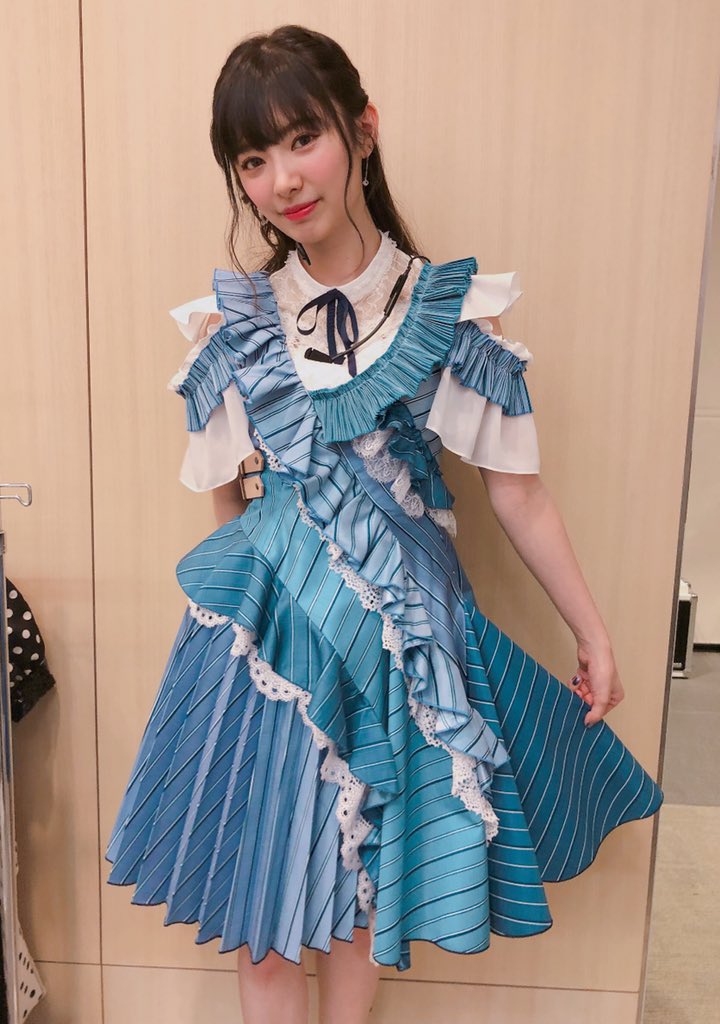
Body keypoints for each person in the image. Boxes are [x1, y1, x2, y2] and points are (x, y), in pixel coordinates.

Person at [104, 24, 664, 1024]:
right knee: (267, 911)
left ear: (362, 130)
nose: (283, 178)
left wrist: (593, 632)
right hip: (274, 651)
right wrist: (251, 628)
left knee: (362, 902)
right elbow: (228, 509)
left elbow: (518, 492)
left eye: (302, 139)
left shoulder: (454, 313)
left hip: (403, 645)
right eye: (254, 159)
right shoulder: (228, 325)